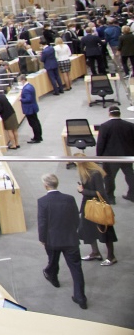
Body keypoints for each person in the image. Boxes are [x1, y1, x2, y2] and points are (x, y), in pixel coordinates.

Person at [38, 173, 87, 310]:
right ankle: (80, 297)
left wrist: (42, 239)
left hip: (52, 240)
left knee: (53, 261)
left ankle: (52, 276)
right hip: (70, 239)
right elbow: (76, 219)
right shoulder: (69, 199)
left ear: (45, 185)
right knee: (76, 269)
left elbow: (42, 223)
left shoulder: (42, 201)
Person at [76, 162, 117, 265]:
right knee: (87, 230)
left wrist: (83, 191)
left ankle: (111, 257)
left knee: (105, 232)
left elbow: (100, 193)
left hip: (99, 208)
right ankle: (95, 252)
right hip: (88, 206)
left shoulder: (95, 174)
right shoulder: (84, 174)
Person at [95, 105, 134, 204]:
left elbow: (100, 143)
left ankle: (110, 197)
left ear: (109, 113)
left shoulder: (104, 126)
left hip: (110, 157)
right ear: (119, 113)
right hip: (127, 156)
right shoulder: (130, 125)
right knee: (130, 175)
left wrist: (98, 157)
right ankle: (132, 195)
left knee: (109, 177)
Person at [19, 74, 42, 143]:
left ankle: (37, 138)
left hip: (29, 109)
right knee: (36, 122)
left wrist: (21, 99)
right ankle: (38, 136)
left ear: (23, 80)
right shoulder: (30, 86)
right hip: (33, 107)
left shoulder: (26, 89)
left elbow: (28, 99)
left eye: (20, 81)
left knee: (33, 123)